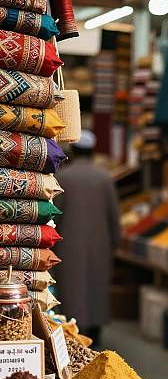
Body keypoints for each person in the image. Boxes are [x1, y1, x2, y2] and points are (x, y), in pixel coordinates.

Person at [53, 130, 120, 345]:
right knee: (96, 287)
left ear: (73, 150)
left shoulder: (62, 177)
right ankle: (96, 335)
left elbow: (54, 216)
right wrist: (115, 243)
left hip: (68, 247)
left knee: (72, 289)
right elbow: (114, 216)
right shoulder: (105, 178)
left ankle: (73, 334)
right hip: (100, 244)